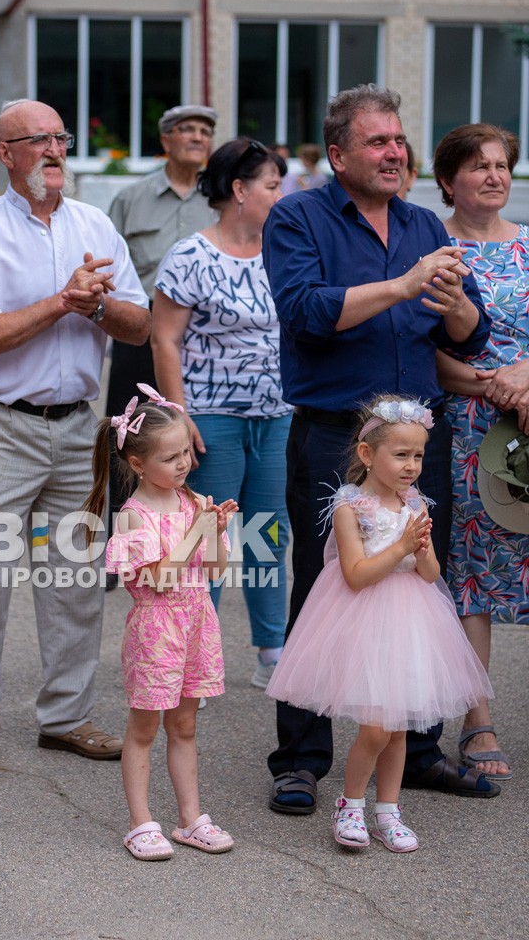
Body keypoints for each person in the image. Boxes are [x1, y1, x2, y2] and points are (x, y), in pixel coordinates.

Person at [262, 83, 497, 815]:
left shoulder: (426, 224)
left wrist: (457, 305)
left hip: (419, 439)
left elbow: (468, 335)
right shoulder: (298, 217)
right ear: (338, 154)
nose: (395, 153)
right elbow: (305, 312)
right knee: (324, 585)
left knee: (420, 587)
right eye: (378, 142)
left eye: (399, 140)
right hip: (337, 436)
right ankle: (301, 760)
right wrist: (401, 285)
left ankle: (417, 749)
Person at [0, 98, 149, 781]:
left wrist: (96, 304)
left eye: (61, 138)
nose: (56, 150)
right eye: (40, 140)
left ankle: (66, 717)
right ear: (7, 154)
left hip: (77, 430)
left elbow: (139, 327)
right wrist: (62, 302)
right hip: (2, 427)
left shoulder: (94, 224)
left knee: (75, 583)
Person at [267, 397, 493, 852]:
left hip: (411, 622)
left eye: (418, 455)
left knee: (399, 726)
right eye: (401, 454)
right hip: (365, 619)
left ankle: (388, 811)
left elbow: (429, 575)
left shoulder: (416, 505)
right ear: (368, 455)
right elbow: (355, 575)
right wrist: (401, 546)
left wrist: (422, 547)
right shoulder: (351, 507)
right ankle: (350, 805)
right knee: (376, 726)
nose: (412, 466)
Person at [152, 139, 291, 686]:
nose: (282, 195)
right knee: (207, 538)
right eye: (273, 185)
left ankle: (271, 650)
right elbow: (164, 341)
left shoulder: (285, 250)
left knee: (267, 532)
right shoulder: (191, 255)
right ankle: (193, 658)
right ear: (239, 190)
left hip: (276, 416)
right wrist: (178, 418)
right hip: (210, 419)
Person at [84, 389, 237, 860]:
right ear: (136, 462)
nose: (183, 464)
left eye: (185, 452)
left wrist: (215, 532)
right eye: (169, 457)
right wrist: (196, 533)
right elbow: (161, 579)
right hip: (157, 632)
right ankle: (140, 823)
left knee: (186, 725)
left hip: (197, 624)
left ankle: (190, 818)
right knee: (144, 729)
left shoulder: (191, 502)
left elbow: (215, 572)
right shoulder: (133, 516)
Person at [434, 122, 527, 781]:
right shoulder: (431, 247)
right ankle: (477, 718)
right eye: (478, 166)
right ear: (448, 181)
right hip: (467, 426)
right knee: (473, 569)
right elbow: (423, 348)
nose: (493, 176)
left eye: (502, 165)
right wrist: (499, 386)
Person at [103, 105, 218, 581]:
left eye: (205, 131)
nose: (197, 137)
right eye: (187, 130)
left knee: (185, 440)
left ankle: (184, 543)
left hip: (200, 344)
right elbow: (109, 269)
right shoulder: (132, 199)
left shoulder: (218, 201)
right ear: (165, 140)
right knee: (125, 437)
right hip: (141, 334)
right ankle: (124, 547)